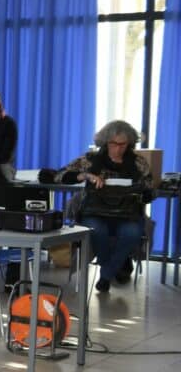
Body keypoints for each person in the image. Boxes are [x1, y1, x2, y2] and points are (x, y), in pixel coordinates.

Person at [55, 120, 152, 292]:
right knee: (96, 230)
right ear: (105, 142)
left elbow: (149, 189)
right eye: (113, 143)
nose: (118, 148)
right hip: (95, 212)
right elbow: (58, 175)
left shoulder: (139, 163)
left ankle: (106, 274)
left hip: (127, 213)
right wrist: (86, 175)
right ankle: (116, 266)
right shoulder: (91, 160)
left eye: (123, 144)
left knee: (132, 232)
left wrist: (143, 191)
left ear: (129, 143)